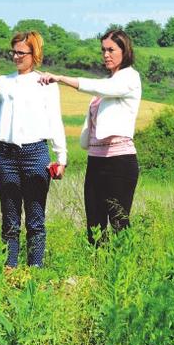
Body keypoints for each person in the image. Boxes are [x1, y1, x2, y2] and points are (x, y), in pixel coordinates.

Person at [38, 28, 141, 245]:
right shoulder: (106, 83)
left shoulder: (129, 78)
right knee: (94, 224)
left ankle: (126, 270)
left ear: (125, 51)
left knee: (119, 221)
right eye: (103, 50)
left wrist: (60, 78)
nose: (106, 54)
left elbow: (100, 87)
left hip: (119, 160)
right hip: (96, 160)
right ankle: (97, 273)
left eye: (111, 50)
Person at [0, 31, 67, 268]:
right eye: (13, 52)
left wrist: (62, 157)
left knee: (36, 219)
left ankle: (35, 271)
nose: (16, 56)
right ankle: (9, 270)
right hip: (6, 156)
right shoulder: (1, 82)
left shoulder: (45, 84)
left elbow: (55, 120)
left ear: (34, 54)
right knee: (10, 220)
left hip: (36, 155)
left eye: (21, 52)